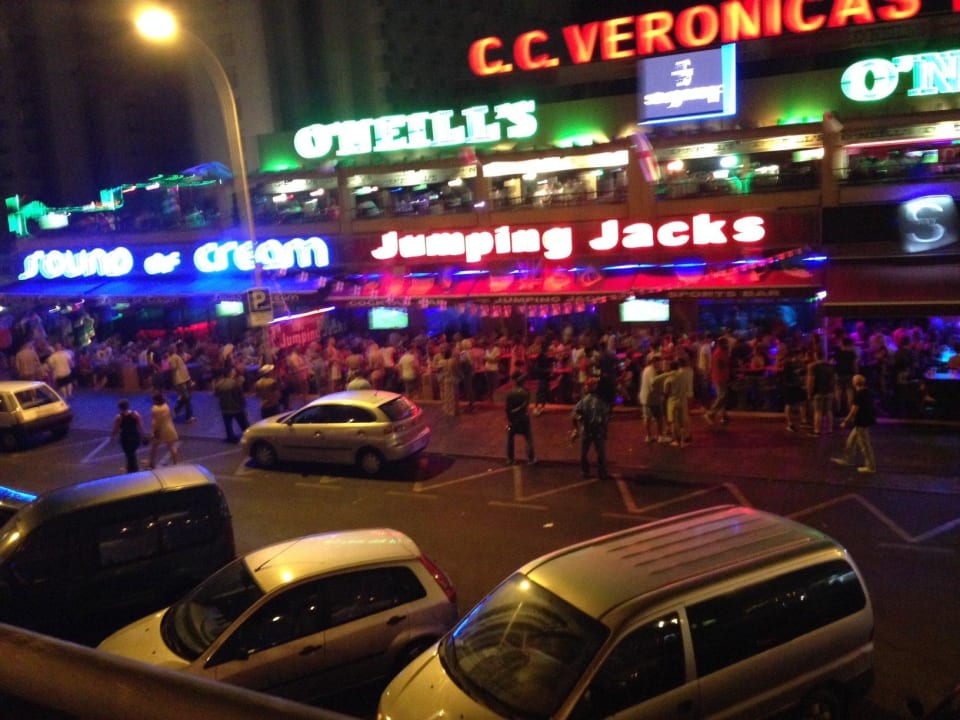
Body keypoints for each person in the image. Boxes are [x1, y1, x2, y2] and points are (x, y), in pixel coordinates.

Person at [831, 374, 877, 474]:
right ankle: (848, 460)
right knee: (851, 441)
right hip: (865, 420)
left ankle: (871, 467)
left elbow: (854, 411)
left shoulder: (859, 394)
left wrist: (845, 421)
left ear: (854, 383)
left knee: (865, 445)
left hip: (861, 422)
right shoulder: (868, 392)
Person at [573, 376, 612, 480]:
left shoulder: (583, 401)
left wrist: (576, 428)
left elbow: (575, 415)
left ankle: (584, 471)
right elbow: (605, 419)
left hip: (586, 430)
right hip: (598, 431)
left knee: (584, 452)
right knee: (600, 453)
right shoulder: (601, 402)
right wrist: (605, 431)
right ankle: (602, 472)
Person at [504, 371, 536, 465]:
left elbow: (507, 409)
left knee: (510, 438)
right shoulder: (526, 392)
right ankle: (531, 458)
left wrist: (510, 420)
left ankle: (510, 459)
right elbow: (525, 405)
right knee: (528, 438)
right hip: (523, 418)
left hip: (513, 419)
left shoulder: (510, 393)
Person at [213, 366, 249, 443]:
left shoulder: (219, 384)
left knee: (228, 425)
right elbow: (239, 396)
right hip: (236, 408)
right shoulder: (235, 383)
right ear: (230, 373)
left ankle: (230, 438)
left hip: (224, 408)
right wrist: (243, 405)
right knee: (244, 424)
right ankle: (248, 436)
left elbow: (216, 394)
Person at [111, 398, 146, 473]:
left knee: (129, 454)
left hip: (125, 437)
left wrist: (112, 436)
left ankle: (132, 470)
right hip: (135, 436)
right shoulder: (135, 414)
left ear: (120, 407)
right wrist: (143, 435)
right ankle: (131, 468)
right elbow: (140, 426)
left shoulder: (119, 417)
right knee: (132, 453)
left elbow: (116, 428)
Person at [807, 348, 836, 436]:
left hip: (818, 391)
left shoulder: (813, 367)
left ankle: (817, 430)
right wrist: (833, 391)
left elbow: (810, 381)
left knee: (818, 411)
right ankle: (830, 430)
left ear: (816, 356)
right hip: (829, 391)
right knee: (829, 411)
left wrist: (809, 393)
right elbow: (833, 380)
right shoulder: (830, 366)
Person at [704, 337, 732, 425]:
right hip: (719, 377)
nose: (727, 345)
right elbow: (721, 364)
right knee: (722, 396)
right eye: (725, 343)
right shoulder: (718, 353)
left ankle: (723, 415)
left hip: (723, 376)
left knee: (723, 396)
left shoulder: (723, 352)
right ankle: (711, 413)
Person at [148, 392, 180, 469]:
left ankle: (152, 463)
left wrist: (152, 432)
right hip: (169, 429)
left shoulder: (155, 408)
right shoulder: (166, 406)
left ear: (156, 400)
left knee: (154, 447)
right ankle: (176, 463)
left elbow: (154, 422)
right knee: (171, 447)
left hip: (159, 430)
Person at [167, 345, 196, 424]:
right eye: (175, 348)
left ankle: (177, 410)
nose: (176, 348)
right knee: (187, 398)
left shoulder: (175, 356)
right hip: (180, 380)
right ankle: (189, 417)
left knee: (185, 397)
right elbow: (173, 367)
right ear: (173, 349)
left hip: (184, 378)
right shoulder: (173, 357)